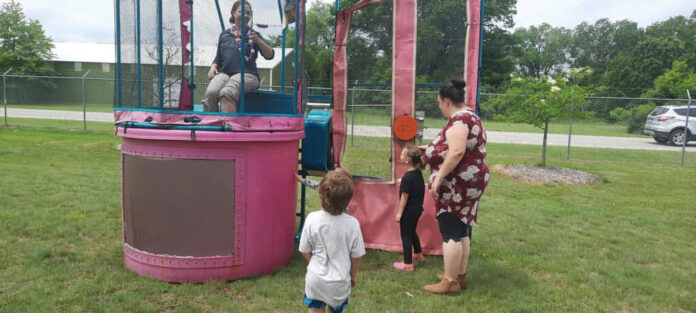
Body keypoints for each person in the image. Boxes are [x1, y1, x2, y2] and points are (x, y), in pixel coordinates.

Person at [421, 79, 489, 295]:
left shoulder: (458, 121)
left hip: (457, 185)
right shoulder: (471, 116)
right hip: (472, 181)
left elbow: (457, 151)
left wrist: (439, 177)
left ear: (446, 101)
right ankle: (459, 275)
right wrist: (432, 148)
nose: (439, 106)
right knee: (462, 229)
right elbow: (457, 148)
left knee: (450, 229)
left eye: (439, 102)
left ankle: (450, 282)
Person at [299, 170, 365, 313]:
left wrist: (314, 262)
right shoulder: (352, 224)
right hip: (340, 282)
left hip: (315, 280)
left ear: (321, 194)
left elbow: (303, 249)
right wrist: (352, 276)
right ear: (349, 198)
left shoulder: (311, 218)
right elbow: (357, 256)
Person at [202, 0, 275, 113]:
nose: (245, 15)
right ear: (233, 13)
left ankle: (228, 126)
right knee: (211, 93)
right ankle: (210, 126)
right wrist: (213, 66)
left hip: (248, 75)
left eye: (248, 13)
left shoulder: (254, 35)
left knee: (227, 93)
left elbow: (270, 55)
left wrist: (258, 41)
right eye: (242, 12)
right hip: (225, 74)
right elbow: (218, 58)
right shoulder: (224, 35)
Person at [392, 144, 426, 272]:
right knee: (412, 232)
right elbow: (412, 184)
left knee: (405, 235)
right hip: (417, 210)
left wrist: (400, 213)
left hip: (408, 212)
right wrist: (403, 181)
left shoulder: (408, 178)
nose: (400, 155)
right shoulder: (417, 173)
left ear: (408, 160)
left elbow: (404, 198)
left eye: (402, 154)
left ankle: (407, 264)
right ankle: (418, 254)